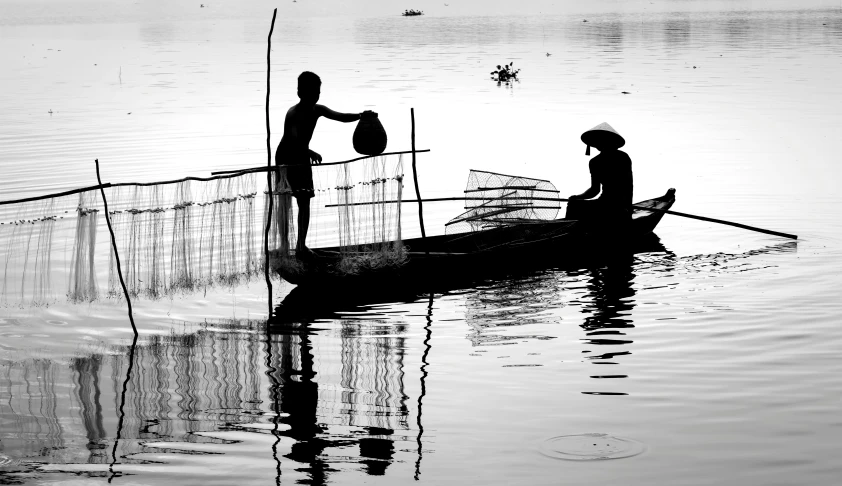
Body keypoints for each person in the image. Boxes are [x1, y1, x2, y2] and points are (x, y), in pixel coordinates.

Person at [275, 71, 375, 256]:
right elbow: (293, 141)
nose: (315, 96)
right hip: (286, 159)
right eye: (311, 92)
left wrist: (361, 115)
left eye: (317, 92)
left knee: (304, 201)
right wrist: (310, 151)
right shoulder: (293, 114)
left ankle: (301, 246)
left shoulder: (317, 110)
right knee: (285, 201)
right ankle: (284, 244)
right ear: (299, 93)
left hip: (302, 155)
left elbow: (341, 116)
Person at [567, 122, 634, 231]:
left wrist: (628, 208)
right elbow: (595, 189)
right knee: (574, 203)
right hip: (603, 203)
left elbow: (628, 186)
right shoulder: (594, 162)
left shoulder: (622, 157)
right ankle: (569, 230)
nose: (597, 143)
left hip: (619, 205)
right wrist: (577, 197)